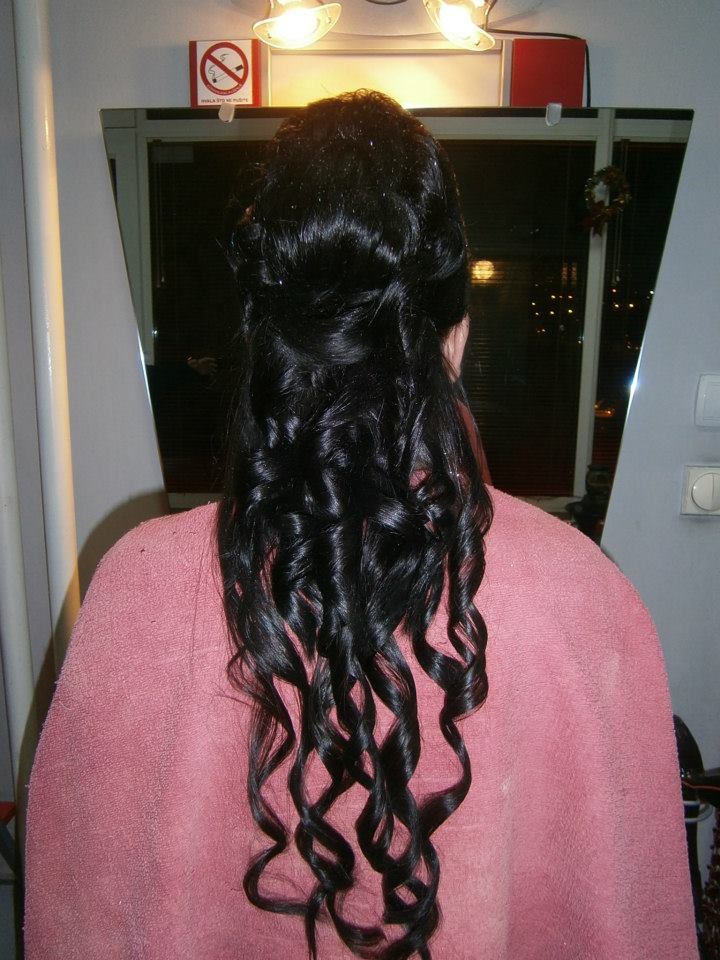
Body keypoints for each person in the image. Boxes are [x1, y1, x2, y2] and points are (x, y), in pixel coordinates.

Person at [23, 91, 697, 960]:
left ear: (267, 341)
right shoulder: (589, 600)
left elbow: (73, 916)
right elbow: (635, 926)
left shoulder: (133, 588)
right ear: (456, 338)